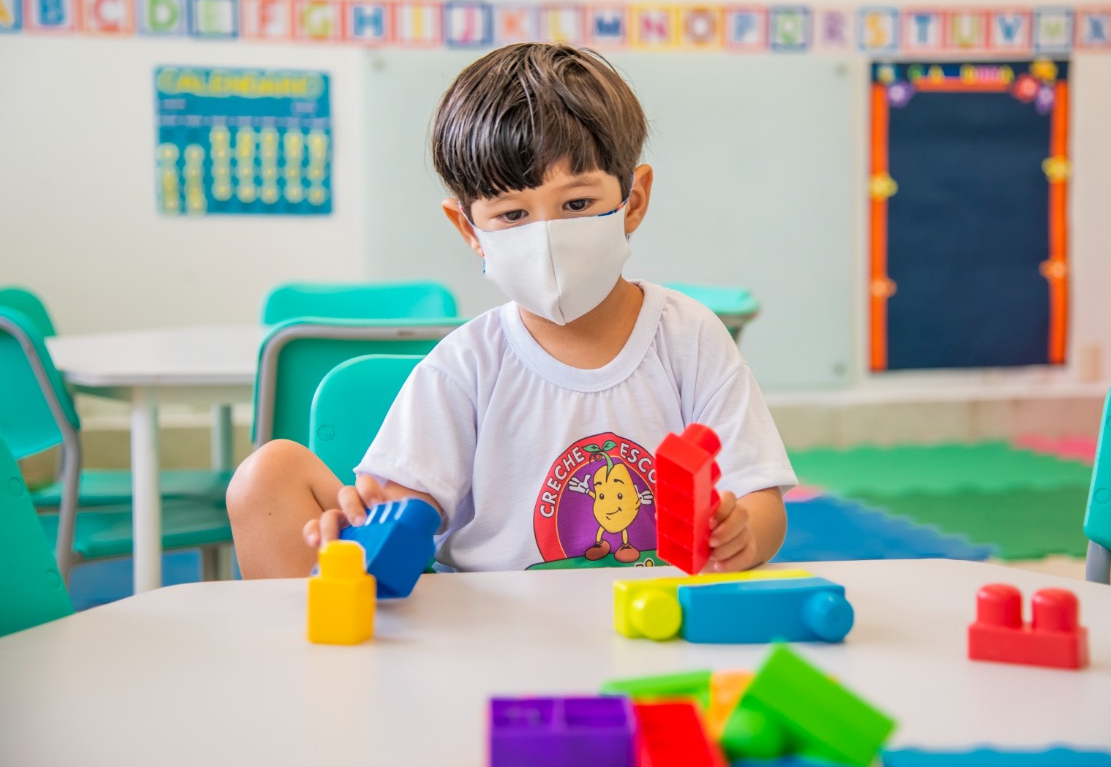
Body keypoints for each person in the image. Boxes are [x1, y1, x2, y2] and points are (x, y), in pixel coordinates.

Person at [227, 42, 794, 578]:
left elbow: (759, 500)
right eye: (513, 215)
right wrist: (359, 529)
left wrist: (740, 533)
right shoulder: (465, 365)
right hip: (496, 632)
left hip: (650, 622)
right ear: (469, 229)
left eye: (577, 203)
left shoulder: (689, 338)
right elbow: (402, 510)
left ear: (633, 201)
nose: (547, 237)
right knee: (266, 473)